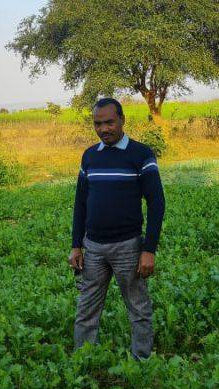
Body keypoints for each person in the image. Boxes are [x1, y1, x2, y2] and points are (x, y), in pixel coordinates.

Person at [69, 97, 166, 360]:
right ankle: (84, 359)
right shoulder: (89, 156)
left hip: (128, 247)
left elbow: (156, 203)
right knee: (86, 308)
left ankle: (142, 361)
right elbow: (81, 202)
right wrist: (76, 244)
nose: (104, 129)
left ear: (122, 120)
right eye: (98, 124)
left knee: (138, 307)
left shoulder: (141, 154)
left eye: (109, 122)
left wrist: (149, 250)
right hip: (93, 248)